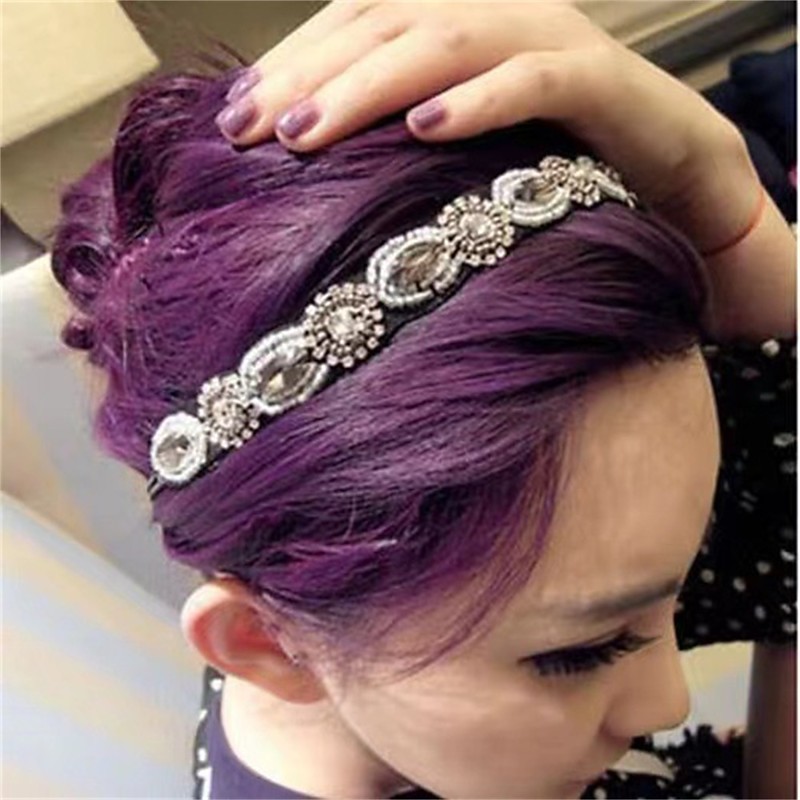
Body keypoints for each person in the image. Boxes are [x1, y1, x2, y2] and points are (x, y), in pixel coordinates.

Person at [49, 3, 795, 798]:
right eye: (580, 654)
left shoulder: (377, 628)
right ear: (263, 642)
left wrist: (729, 220)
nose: (668, 702)